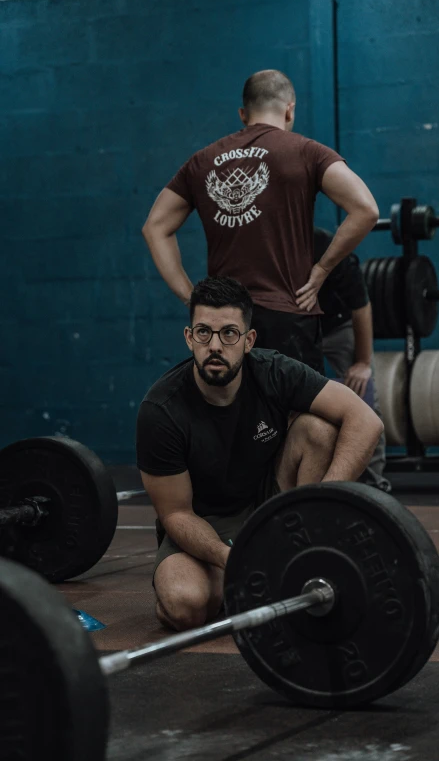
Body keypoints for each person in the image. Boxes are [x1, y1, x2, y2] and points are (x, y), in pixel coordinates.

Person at [136, 276, 384, 632]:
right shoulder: (161, 410)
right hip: (204, 523)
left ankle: (297, 547)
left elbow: (366, 421)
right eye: (204, 333)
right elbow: (176, 513)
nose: (215, 345)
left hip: (271, 505)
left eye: (229, 334)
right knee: (185, 608)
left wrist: (321, 505)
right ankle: (245, 580)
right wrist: (232, 557)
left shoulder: (274, 371)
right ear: (189, 338)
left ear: (248, 340)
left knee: (319, 429)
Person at [142, 69, 379, 374]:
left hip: (226, 325)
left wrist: (191, 297)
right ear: (290, 109)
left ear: (243, 114)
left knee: (237, 420)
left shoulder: (202, 161)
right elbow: (366, 209)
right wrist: (322, 269)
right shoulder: (306, 152)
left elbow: (154, 227)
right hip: (289, 318)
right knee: (298, 420)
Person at [313, 227, 390, 492]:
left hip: (336, 326)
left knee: (363, 396)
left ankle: (373, 487)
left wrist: (363, 363)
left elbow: (360, 305)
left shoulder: (326, 244)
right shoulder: (264, 242)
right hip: (291, 327)